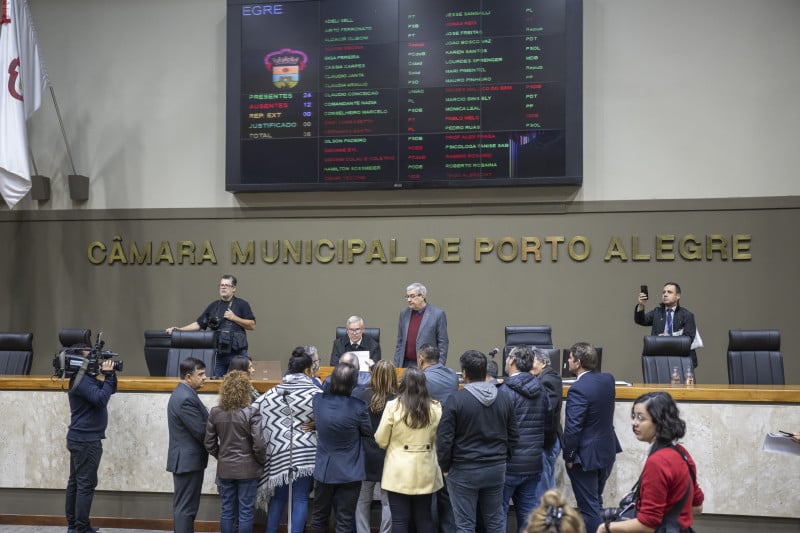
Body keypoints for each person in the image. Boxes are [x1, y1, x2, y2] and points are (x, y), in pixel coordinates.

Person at [437, 350, 519, 533]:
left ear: (464, 373)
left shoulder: (456, 400)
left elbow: (444, 439)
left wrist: (444, 467)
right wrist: (503, 458)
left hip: (464, 470)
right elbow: (514, 435)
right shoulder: (504, 399)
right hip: (496, 468)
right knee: (495, 522)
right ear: (484, 372)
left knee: (465, 525)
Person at [599, 392, 704, 533]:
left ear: (659, 421)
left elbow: (648, 525)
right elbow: (697, 506)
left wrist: (606, 528)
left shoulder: (658, 462)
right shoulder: (682, 453)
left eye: (641, 418)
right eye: (634, 417)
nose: (634, 423)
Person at [254, 347, 321, 533]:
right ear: (308, 370)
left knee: (279, 497)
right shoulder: (315, 393)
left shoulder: (274, 392)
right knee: (300, 498)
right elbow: (327, 416)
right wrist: (315, 423)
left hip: (279, 451)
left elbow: (255, 409)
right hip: (306, 453)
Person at [562, 343, 622, 533]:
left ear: (578, 362)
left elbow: (572, 429)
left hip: (586, 457)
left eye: (570, 358)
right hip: (606, 451)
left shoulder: (578, 389)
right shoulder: (608, 380)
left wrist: (569, 457)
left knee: (589, 509)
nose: (568, 362)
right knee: (595, 501)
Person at [375, 366, 443, 533]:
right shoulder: (435, 407)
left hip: (398, 470)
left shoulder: (393, 406)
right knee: (424, 518)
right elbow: (440, 439)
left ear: (403, 383)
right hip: (426, 468)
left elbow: (381, 439)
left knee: (399, 519)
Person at [310, 363, 373, 533]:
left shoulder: (318, 401)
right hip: (350, 471)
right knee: (344, 521)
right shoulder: (358, 406)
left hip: (325, 469)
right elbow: (368, 432)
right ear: (354, 384)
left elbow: (327, 385)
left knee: (318, 517)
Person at [205, 370, 267, 533]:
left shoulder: (215, 412)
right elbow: (259, 444)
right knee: (245, 512)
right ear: (245, 390)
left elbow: (209, 443)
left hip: (225, 469)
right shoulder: (251, 412)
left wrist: (221, 456)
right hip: (248, 470)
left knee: (227, 511)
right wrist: (260, 461)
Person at [65, 350, 118, 533]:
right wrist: (108, 376)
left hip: (81, 438)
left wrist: (110, 375)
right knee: (84, 486)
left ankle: (75, 526)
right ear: (79, 359)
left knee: (76, 483)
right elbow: (101, 399)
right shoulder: (82, 380)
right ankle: (80, 528)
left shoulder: (84, 378)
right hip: (86, 441)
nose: (95, 360)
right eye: (90, 357)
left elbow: (110, 389)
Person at [499, 345, 549, 533]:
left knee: (500, 513)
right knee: (528, 515)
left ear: (512, 361)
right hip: (533, 462)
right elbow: (549, 422)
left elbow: (498, 428)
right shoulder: (541, 389)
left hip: (508, 465)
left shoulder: (504, 391)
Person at [166, 274, 256, 377]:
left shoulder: (242, 304)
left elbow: (252, 325)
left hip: (238, 354)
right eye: (221, 285)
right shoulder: (213, 306)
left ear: (234, 288)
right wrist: (179, 329)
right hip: (219, 353)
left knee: (239, 382)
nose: (223, 287)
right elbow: (199, 324)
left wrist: (234, 318)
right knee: (216, 382)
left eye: (226, 285)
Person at [416, 343, 458, 533]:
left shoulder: (420, 378)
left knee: (425, 495)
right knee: (446, 494)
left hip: (426, 440)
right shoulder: (451, 375)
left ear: (420, 358)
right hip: (450, 439)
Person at [167, 357, 210, 533]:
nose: (205, 377)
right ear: (188, 377)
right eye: (200, 374)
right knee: (186, 509)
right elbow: (201, 431)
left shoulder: (185, 394)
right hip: (188, 461)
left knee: (184, 507)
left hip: (187, 460)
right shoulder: (185, 398)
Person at [354, 360, 398, 533]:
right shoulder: (398, 400)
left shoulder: (361, 396)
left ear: (374, 375)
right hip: (389, 454)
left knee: (362, 500)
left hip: (365, 454)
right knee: (388, 501)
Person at [634, 282, 698, 367]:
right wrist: (641, 305)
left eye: (669, 292)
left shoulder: (687, 315)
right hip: (659, 357)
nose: (665, 294)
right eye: (664, 292)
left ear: (678, 296)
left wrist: (669, 339)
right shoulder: (657, 312)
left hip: (680, 358)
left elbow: (688, 340)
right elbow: (640, 320)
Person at [531, 348, 563, 505]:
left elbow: (547, 411)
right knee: (546, 489)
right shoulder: (542, 377)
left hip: (547, 442)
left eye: (533, 361)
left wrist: (544, 441)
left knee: (543, 493)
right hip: (547, 441)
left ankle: (547, 525)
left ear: (543, 363)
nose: (529, 364)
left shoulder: (549, 379)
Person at [394, 282, 449, 368]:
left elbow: (443, 344)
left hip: (427, 365)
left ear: (422, 296)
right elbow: (400, 342)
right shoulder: (404, 314)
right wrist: (396, 366)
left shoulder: (437, 314)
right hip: (405, 365)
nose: (409, 300)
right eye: (407, 296)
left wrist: (439, 367)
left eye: (412, 296)